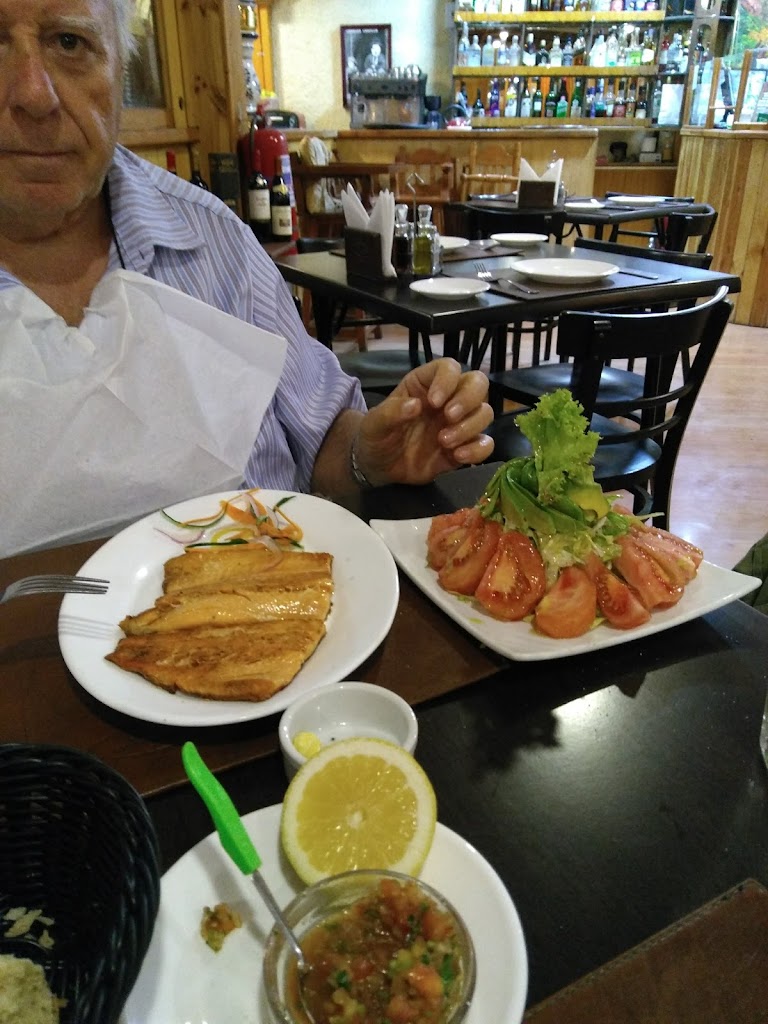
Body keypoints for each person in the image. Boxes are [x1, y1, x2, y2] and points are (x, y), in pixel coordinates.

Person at [0, 0, 494, 557]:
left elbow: (323, 447)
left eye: (68, 43)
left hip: (289, 599)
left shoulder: (213, 238)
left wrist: (370, 455)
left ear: (119, 69)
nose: (33, 94)